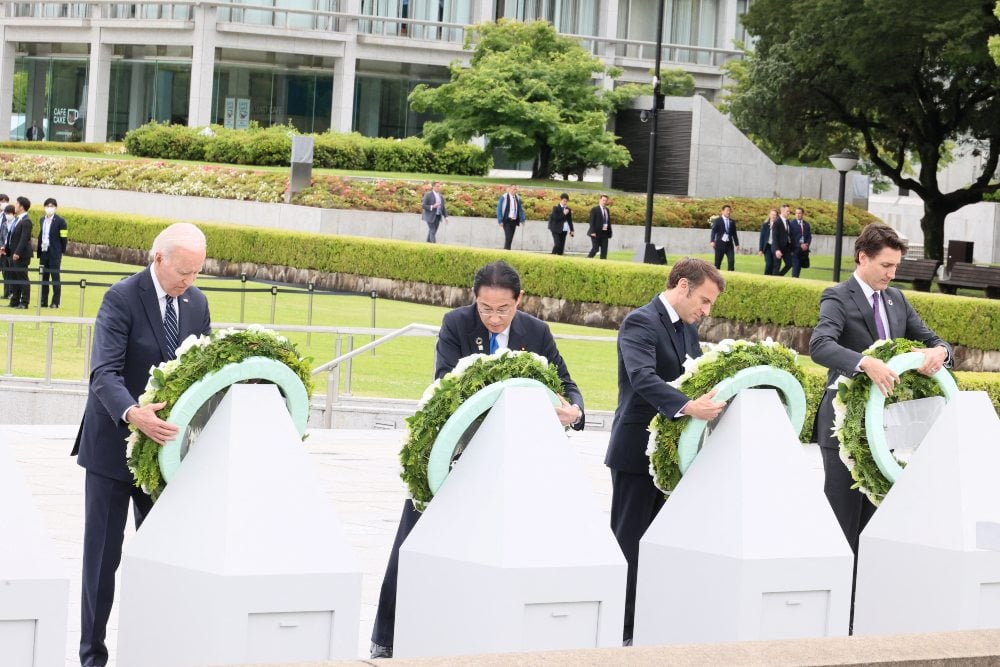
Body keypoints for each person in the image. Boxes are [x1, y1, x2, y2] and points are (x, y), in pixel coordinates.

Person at [371, 260, 585, 659]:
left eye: (503, 309)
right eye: (485, 309)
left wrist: (574, 410)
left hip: (514, 458)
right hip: (456, 453)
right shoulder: (456, 324)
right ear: (475, 300)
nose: (494, 318)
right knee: (414, 537)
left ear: (520, 300)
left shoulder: (536, 332)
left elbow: (567, 383)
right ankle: (387, 637)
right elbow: (444, 380)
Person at [73, 223, 211, 667]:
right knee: (102, 563)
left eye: (196, 273)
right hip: (114, 449)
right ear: (158, 258)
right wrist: (135, 415)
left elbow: (203, 370)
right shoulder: (121, 298)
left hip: (166, 455)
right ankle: (92, 656)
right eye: (183, 272)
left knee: (164, 558)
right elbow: (104, 374)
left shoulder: (197, 303)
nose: (189, 282)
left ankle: (156, 650)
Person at [809, 224, 951, 628]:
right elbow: (820, 345)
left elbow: (936, 340)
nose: (892, 273)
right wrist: (865, 362)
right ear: (863, 258)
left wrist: (939, 351)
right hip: (842, 428)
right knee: (842, 519)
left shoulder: (898, 301)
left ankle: (865, 611)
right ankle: (834, 612)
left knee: (879, 521)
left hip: (889, 432)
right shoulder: (837, 297)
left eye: (896, 266)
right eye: (886, 265)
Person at [605, 258, 727, 644]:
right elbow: (642, 377)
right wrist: (688, 406)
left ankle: (649, 622)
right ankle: (619, 628)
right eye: (704, 301)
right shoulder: (640, 321)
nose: (706, 311)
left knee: (661, 542)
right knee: (630, 541)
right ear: (682, 286)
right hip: (636, 449)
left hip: (675, 452)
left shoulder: (689, 328)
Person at [37, 197, 68, 308]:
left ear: (55, 207)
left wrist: (61, 251)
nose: (50, 208)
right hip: (44, 251)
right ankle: (43, 300)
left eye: (52, 206)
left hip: (55, 252)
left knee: (55, 277)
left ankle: (55, 302)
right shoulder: (42, 220)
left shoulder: (61, 221)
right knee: (44, 277)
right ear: (44, 207)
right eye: (48, 206)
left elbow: (64, 238)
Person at [5, 196, 34, 308]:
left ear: (21, 206)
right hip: (13, 254)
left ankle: (24, 302)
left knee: (22, 277)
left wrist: (17, 253)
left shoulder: (26, 221)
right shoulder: (17, 219)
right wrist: (6, 249)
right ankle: (14, 301)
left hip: (21, 255)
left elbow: (24, 238)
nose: (15, 206)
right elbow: (12, 236)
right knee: (13, 277)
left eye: (17, 204)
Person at [709, 204, 740, 271]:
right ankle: (716, 278)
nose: (728, 212)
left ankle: (731, 276)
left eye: (729, 211)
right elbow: (713, 231)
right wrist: (712, 241)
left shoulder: (732, 222)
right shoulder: (717, 221)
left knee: (731, 261)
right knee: (717, 263)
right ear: (722, 211)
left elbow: (734, 233)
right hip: (720, 244)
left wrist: (737, 244)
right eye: (727, 210)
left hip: (729, 245)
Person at [495, 184, 525, 250]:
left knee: (510, 238)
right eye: (514, 189)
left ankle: (507, 252)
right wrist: (500, 220)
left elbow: (520, 209)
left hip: (514, 221)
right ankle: (506, 252)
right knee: (508, 237)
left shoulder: (518, 198)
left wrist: (522, 219)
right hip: (506, 220)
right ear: (510, 189)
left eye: (516, 189)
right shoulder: (504, 197)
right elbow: (499, 209)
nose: (515, 190)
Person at [587, 194, 613, 259]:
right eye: (603, 200)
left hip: (605, 233)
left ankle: (603, 264)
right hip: (596, 233)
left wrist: (610, 233)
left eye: (606, 200)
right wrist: (592, 231)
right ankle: (587, 260)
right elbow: (591, 221)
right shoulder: (595, 209)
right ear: (600, 200)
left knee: (604, 251)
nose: (604, 202)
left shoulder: (607, 210)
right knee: (595, 249)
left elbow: (608, 221)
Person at [775, 203, 796, 276]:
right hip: (778, 248)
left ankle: (779, 276)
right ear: (782, 211)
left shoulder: (788, 222)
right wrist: (777, 249)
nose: (789, 213)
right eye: (787, 211)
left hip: (786, 248)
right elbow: (775, 237)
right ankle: (774, 281)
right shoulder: (777, 221)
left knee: (789, 264)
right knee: (776, 267)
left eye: (789, 211)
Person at [792, 206, 812, 277]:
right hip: (795, 249)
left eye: (799, 213)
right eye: (796, 213)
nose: (797, 215)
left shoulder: (806, 224)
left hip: (804, 251)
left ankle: (796, 281)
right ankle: (794, 281)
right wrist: (800, 245)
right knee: (796, 267)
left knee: (800, 266)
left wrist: (807, 244)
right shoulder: (792, 224)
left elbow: (809, 236)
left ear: (802, 214)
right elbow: (791, 237)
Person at [758, 208, 778, 275]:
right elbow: (762, 238)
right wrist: (760, 250)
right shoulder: (765, 225)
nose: (773, 216)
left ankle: (772, 278)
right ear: (769, 215)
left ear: (777, 216)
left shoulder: (779, 225)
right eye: (772, 214)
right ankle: (765, 277)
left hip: (775, 247)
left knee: (774, 264)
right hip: (768, 247)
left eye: (775, 215)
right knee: (768, 263)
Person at [0, 194, 10, 300]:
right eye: (2, 201)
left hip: (3, 249)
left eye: (6, 201)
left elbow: (6, 234)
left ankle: (7, 293)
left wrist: (2, 246)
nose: (4, 203)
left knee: (6, 271)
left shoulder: (7, 216)